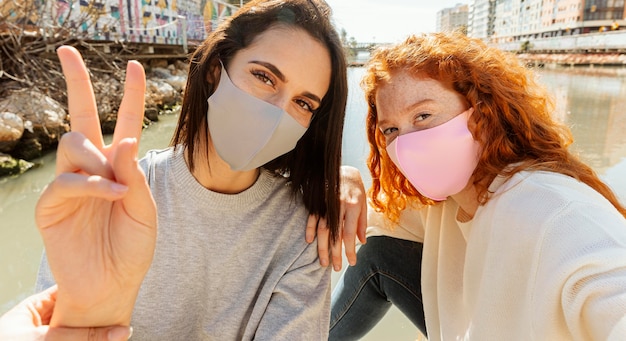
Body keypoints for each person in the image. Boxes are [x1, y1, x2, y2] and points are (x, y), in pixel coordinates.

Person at [33, 0, 359, 339]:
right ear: (215, 70)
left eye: (303, 103)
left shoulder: (306, 230)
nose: (278, 112)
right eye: (264, 77)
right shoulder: (109, 200)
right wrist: (85, 323)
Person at [336, 31, 626, 340]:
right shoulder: (448, 200)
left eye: (423, 115)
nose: (405, 142)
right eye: (391, 129)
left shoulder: (556, 212)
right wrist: (342, 177)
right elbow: (369, 223)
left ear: (483, 113)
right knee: (377, 251)